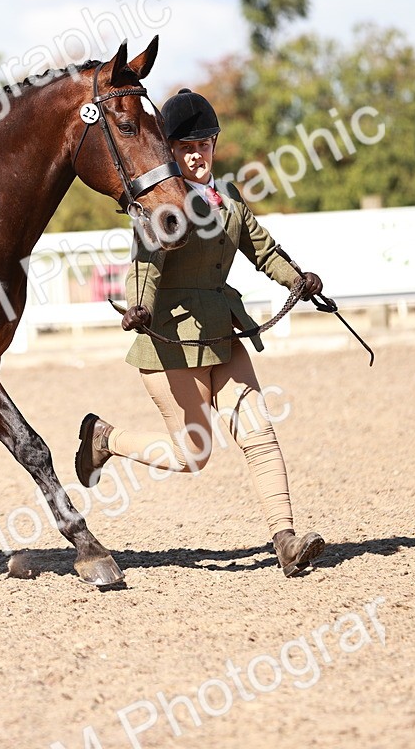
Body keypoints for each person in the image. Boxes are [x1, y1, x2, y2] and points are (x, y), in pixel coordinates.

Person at [75, 88, 326, 577]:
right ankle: (104, 438)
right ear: (169, 152)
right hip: (169, 342)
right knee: (194, 455)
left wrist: (300, 280)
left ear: (214, 147)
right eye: (186, 148)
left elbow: (266, 252)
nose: (197, 155)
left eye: (204, 146)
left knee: (259, 431)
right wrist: (140, 308)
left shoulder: (230, 206)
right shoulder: (161, 209)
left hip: (222, 333)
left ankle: (286, 540)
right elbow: (143, 265)